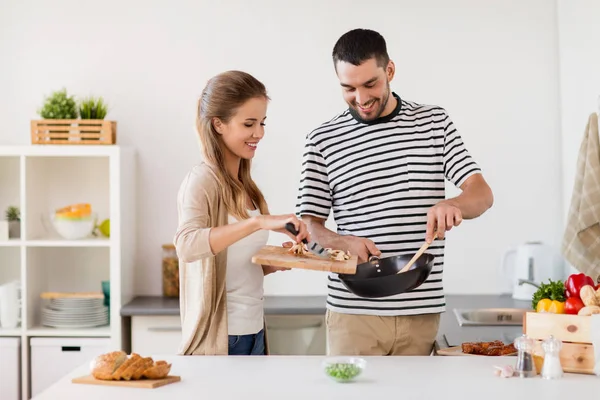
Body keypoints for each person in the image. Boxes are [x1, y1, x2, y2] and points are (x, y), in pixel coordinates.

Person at [296, 29, 494, 356]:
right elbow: (308, 229)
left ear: (389, 71)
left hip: (421, 312)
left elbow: (482, 194)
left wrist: (454, 204)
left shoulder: (434, 122)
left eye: (369, 84)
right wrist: (342, 242)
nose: (360, 98)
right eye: (348, 88)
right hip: (353, 315)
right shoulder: (322, 139)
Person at [174, 70, 310, 356]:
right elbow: (186, 246)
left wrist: (274, 262)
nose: (259, 133)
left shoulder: (246, 186)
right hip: (223, 338)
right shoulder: (202, 180)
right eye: (249, 123)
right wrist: (258, 222)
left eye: (262, 122)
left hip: (253, 332)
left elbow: (235, 267)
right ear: (218, 124)